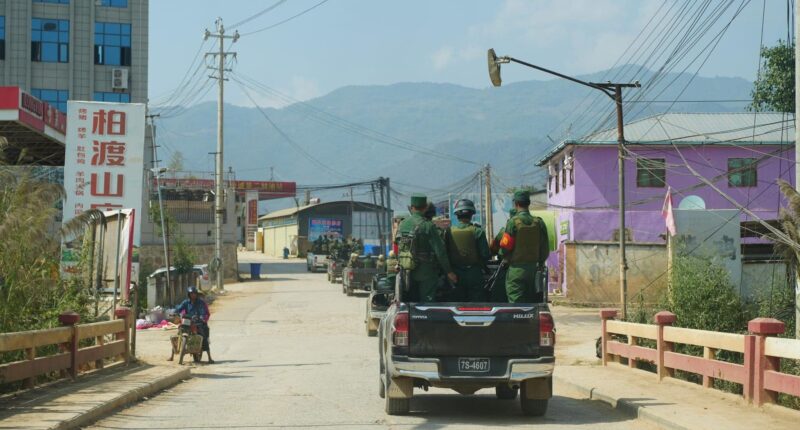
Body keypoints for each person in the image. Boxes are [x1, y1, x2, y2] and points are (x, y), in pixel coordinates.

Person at [394, 194, 457, 302]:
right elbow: (440, 251)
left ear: (412, 207)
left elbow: (397, 246)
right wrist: (449, 271)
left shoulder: (402, 224)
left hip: (406, 271)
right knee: (427, 302)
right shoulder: (428, 226)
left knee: (411, 301)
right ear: (425, 208)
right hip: (426, 271)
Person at [499, 190, 550, 303]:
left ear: (516, 204)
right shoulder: (539, 222)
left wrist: (503, 256)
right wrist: (540, 263)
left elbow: (505, 247)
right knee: (532, 304)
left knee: (516, 304)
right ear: (528, 203)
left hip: (516, 270)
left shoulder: (512, 222)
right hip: (534, 271)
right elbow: (545, 248)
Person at [445, 199, 490, 302]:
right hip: (474, 273)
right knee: (477, 303)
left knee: (457, 303)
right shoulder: (478, 231)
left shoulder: (448, 232)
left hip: (455, 273)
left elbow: (445, 253)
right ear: (471, 214)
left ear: (457, 215)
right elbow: (485, 254)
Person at [175, 287, 214, 363]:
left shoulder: (201, 302)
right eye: (191, 294)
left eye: (194, 293)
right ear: (189, 295)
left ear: (196, 294)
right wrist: (175, 312)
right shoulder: (186, 302)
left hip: (198, 322)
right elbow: (179, 308)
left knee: (203, 336)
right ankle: (173, 353)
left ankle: (209, 357)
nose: (193, 295)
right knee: (179, 332)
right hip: (188, 321)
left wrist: (202, 317)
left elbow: (204, 312)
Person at [487, 208, 517, 302]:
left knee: (500, 292)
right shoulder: (529, 230)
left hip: (507, 267)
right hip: (528, 266)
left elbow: (493, 249)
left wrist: (500, 253)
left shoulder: (504, 232)